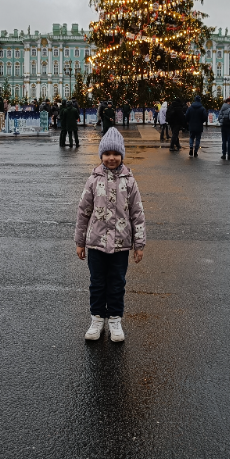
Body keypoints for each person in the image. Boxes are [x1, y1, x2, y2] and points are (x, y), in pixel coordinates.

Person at [74, 127, 145, 342]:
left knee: (116, 283)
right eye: (107, 154)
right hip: (96, 244)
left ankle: (114, 319)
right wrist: (80, 241)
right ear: (101, 155)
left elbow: (137, 213)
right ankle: (97, 318)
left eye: (115, 154)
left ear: (121, 155)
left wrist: (139, 244)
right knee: (97, 283)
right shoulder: (93, 180)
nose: (111, 158)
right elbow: (83, 212)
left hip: (121, 245)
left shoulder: (129, 181)